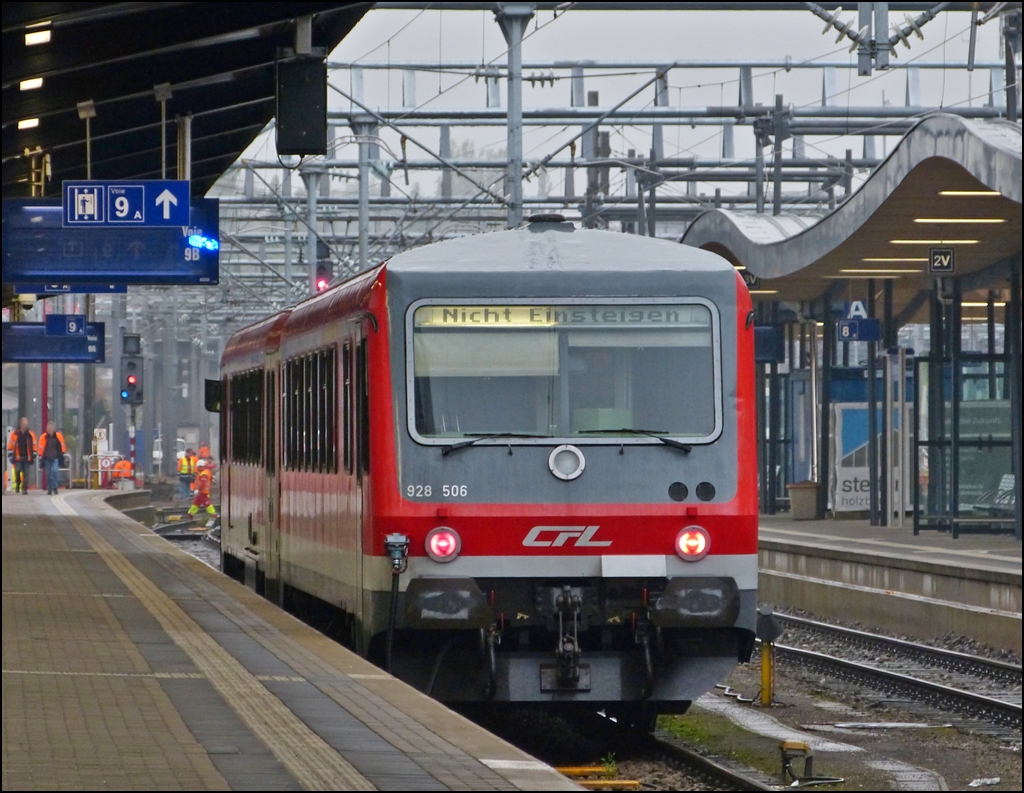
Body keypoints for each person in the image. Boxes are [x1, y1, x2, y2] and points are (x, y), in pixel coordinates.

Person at [7, 417, 37, 494]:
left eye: (26, 423)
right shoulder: (15, 434)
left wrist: (34, 453)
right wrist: (10, 452)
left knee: (26, 473)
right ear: (20, 424)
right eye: (24, 423)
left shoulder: (30, 434)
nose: (25, 425)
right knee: (17, 471)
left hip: (27, 457)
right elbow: (11, 444)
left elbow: (34, 444)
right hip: (17, 456)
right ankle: (18, 484)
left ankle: (24, 489)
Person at [37, 420, 67, 496]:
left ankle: (55, 487)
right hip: (47, 458)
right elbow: (40, 448)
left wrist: (62, 454)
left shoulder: (58, 436)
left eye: (51, 427)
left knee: (54, 472)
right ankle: (49, 489)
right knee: (48, 474)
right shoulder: (43, 437)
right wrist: (41, 456)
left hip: (55, 458)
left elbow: (62, 446)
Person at [187, 458, 218, 527]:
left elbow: (202, 484)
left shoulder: (204, 474)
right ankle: (190, 514)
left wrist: (198, 489)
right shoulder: (205, 472)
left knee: (207, 504)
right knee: (196, 503)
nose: (197, 469)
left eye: (198, 467)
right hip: (202, 492)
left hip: (203, 492)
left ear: (201, 467)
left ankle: (214, 515)